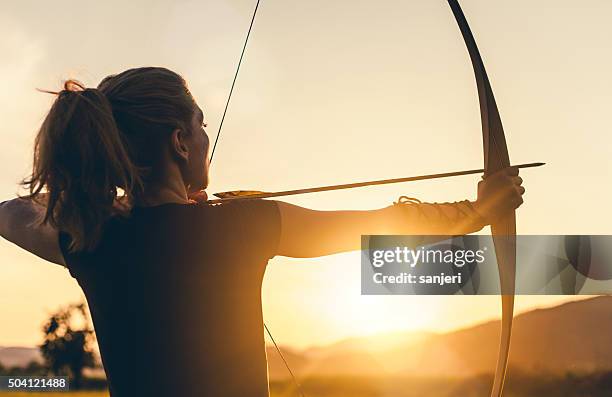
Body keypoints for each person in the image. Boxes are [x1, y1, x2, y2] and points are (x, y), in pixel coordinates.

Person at [0, 67, 524, 397]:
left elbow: (10, 212)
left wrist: (115, 203)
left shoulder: (86, 240)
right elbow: (378, 227)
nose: (206, 138)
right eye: (199, 126)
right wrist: (477, 210)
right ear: (180, 142)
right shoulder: (239, 228)